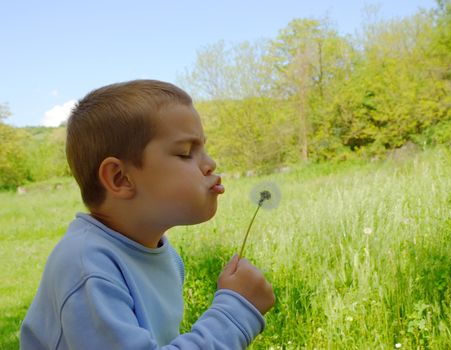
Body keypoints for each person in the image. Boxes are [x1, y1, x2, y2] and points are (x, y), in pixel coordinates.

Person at [20, 80, 275, 349]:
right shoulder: (88, 267)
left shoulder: (162, 254)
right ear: (120, 178)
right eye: (185, 153)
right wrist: (235, 314)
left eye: (204, 148)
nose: (210, 164)